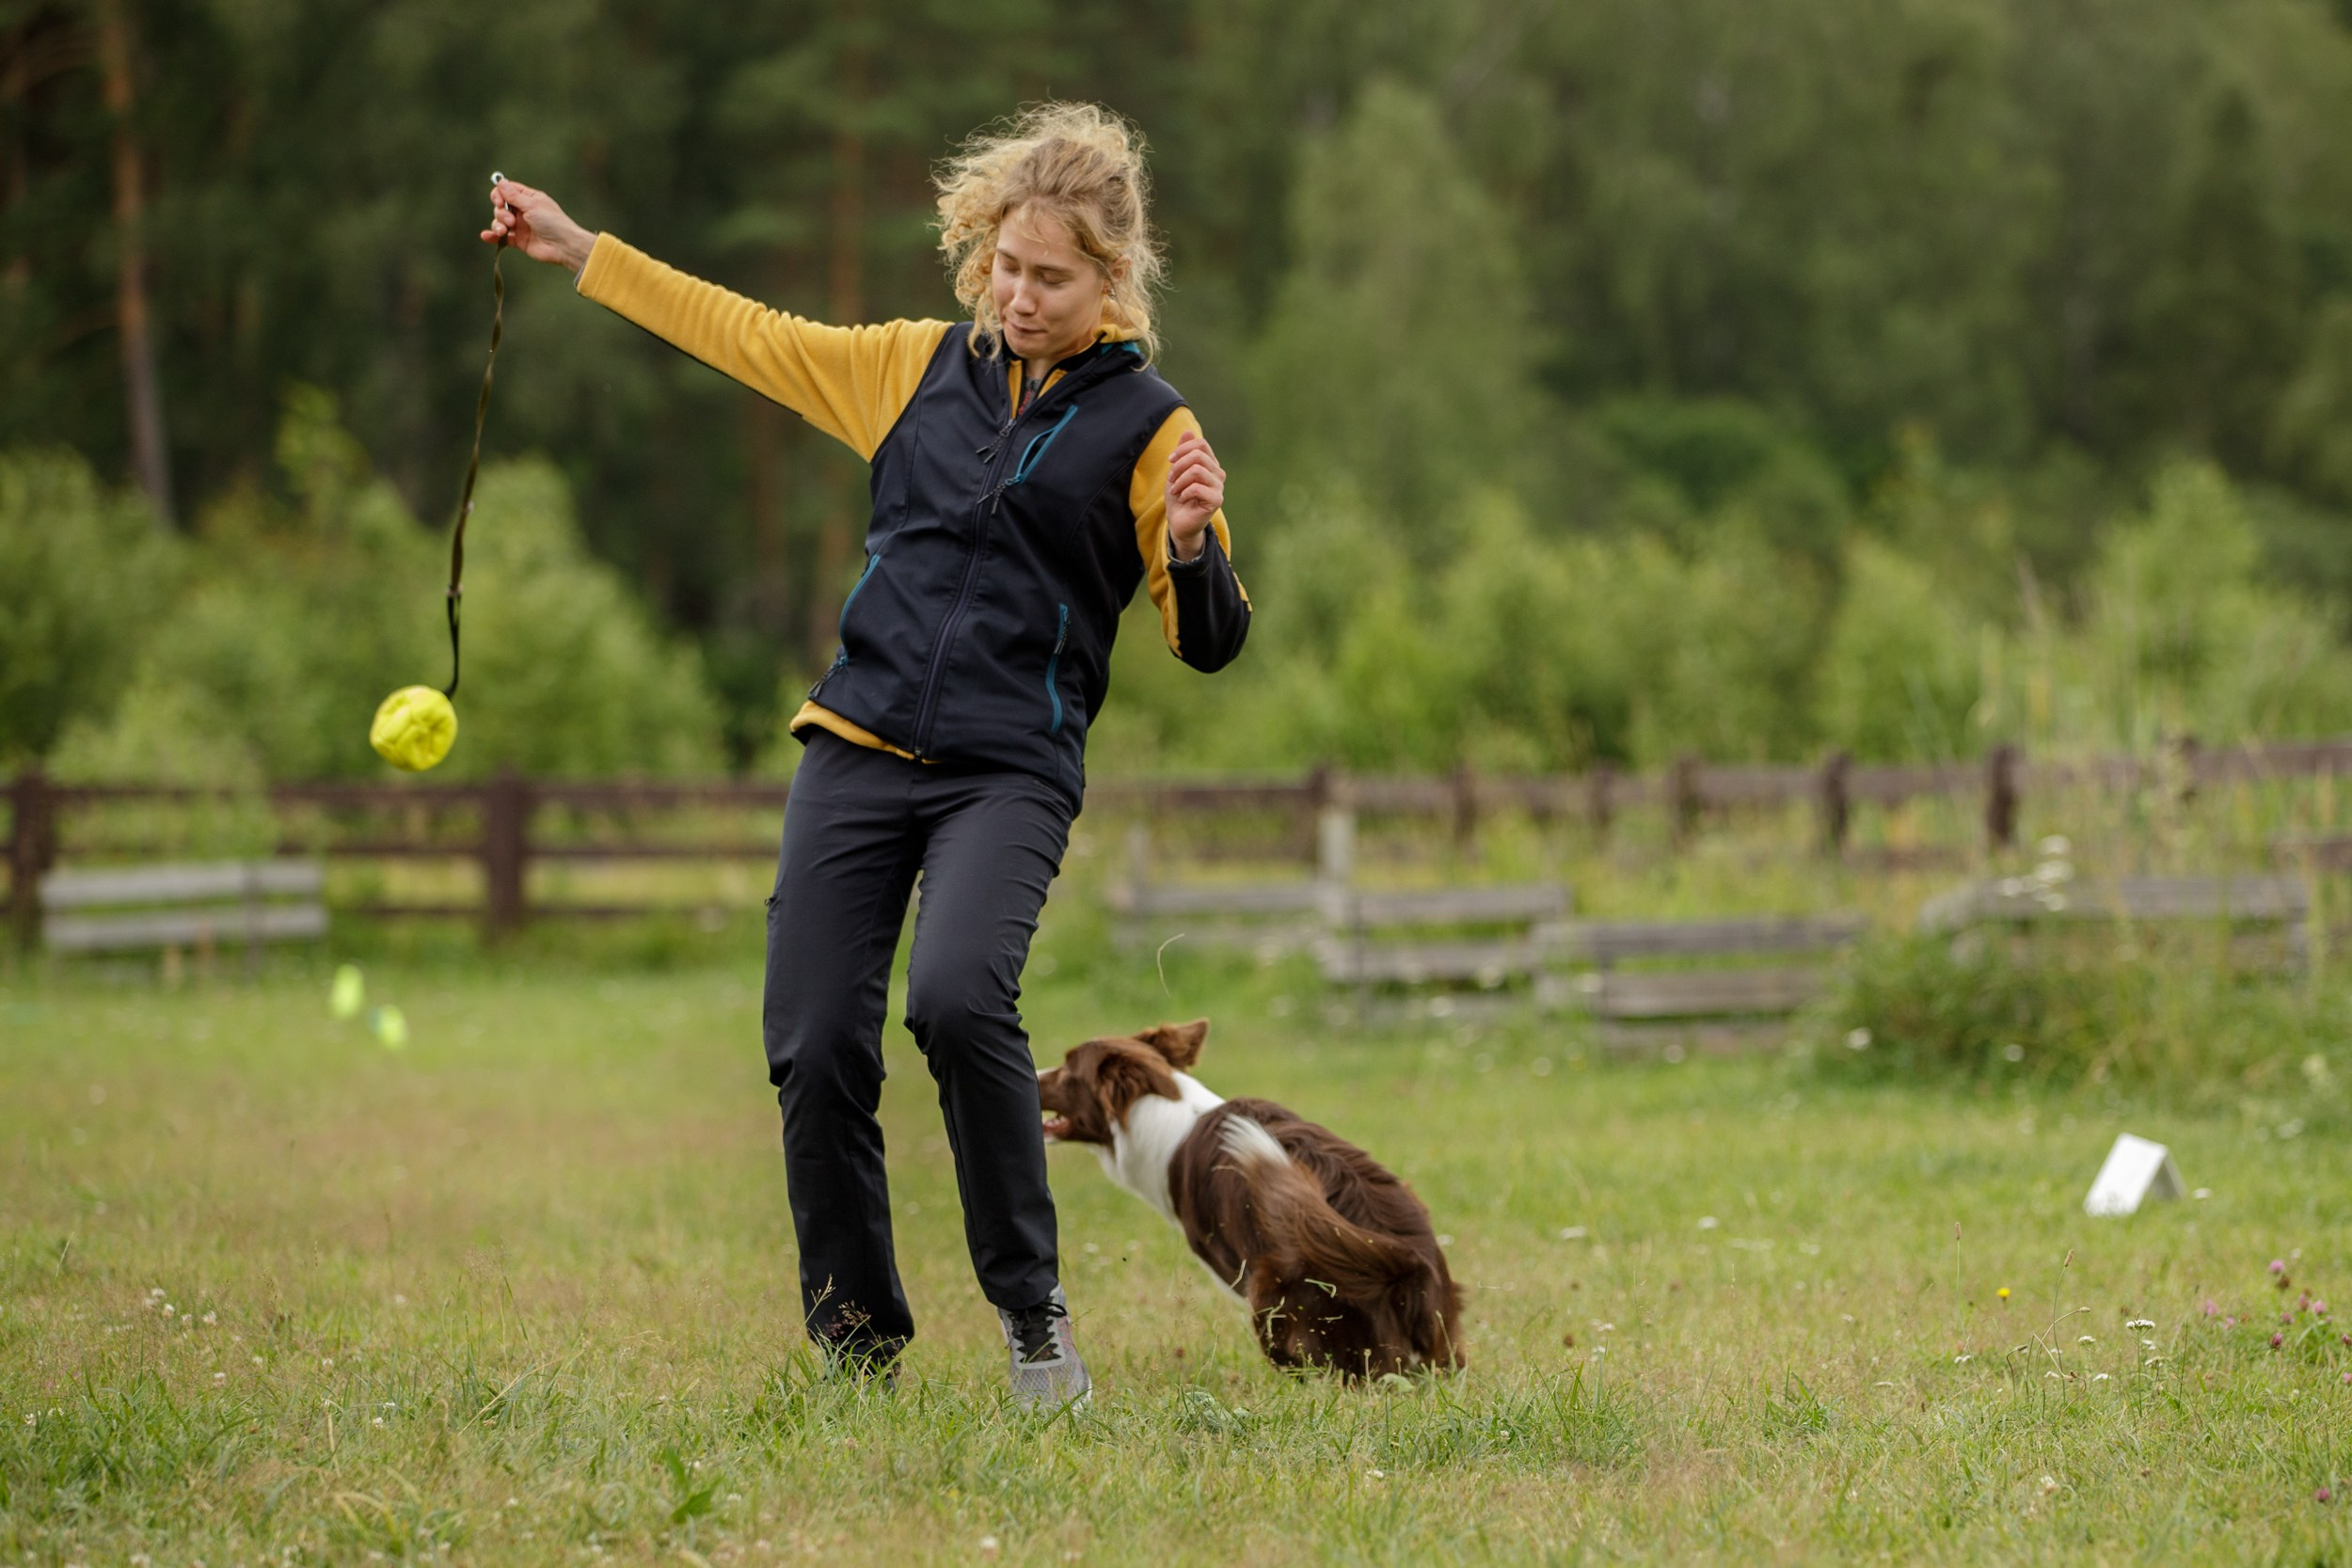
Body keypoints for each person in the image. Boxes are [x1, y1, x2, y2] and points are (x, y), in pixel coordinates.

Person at [483, 103, 1249, 1407]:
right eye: (1004, 266)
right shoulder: (907, 368)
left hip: (1010, 770)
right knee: (815, 1039)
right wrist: (580, 249)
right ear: (979, 250)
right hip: (857, 743)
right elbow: (740, 330)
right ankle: (854, 1344)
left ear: (1111, 278)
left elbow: (1211, 641)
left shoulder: (1155, 432)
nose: (1018, 294)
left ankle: (1031, 1317)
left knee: (955, 999)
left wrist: (1187, 544)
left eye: (1050, 278)